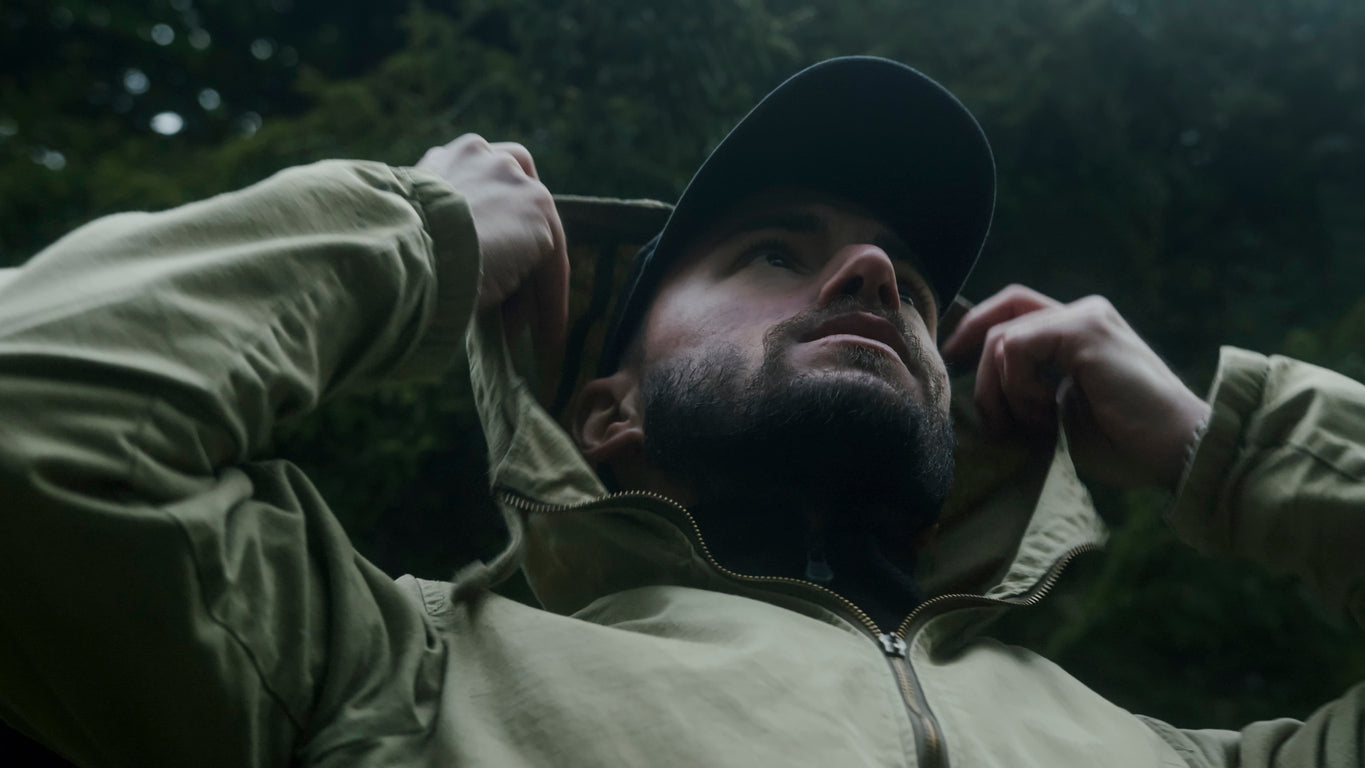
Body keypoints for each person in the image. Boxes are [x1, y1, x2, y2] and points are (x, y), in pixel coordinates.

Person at [0, 56, 1359, 767]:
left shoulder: (1185, 758)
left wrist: (1220, 450)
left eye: (910, 276)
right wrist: (417, 231)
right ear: (608, 412)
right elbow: (34, 422)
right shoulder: (385, 677)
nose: (875, 273)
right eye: (774, 247)